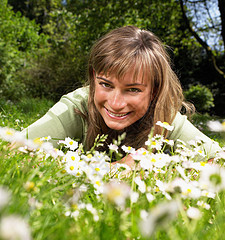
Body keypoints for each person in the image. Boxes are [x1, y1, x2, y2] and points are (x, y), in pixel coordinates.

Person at [21, 26, 221, 165]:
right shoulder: (77, 105)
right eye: (106, 84)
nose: (116, 104)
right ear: (93, 78)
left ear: (155, 91)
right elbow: (13, 150)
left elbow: (219, 162)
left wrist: (165, 169)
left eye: (133, 89)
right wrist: (114, 171)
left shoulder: (165, 118)